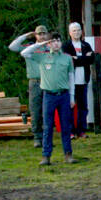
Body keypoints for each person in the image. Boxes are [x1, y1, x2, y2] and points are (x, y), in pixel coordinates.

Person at [22, 32, 76, 166]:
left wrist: (72, 97)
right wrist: (41, 44)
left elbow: (71, 78)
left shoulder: (67, 58)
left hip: (63, 95)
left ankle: (68, 154)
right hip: (48, 96)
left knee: (66, 126)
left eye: (58, 40)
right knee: (47, 126)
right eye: (53, 41)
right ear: (49, 43)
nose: (56, 43)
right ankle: (46, 156)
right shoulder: (42, 57)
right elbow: (24, 53)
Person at [8, 25, 49, 147]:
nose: (41, 36)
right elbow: (12, 47)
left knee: (47, 111)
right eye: (39, 34)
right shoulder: (29, 47)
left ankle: (47, 137)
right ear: (35, 35)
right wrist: (26, 35)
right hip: (34, 82)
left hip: (48, 82)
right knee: (35, 110)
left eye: (43, 34)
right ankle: (37, 137)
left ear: (47, 35)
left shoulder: (50, 47)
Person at [62, 22, 94, 139]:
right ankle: (71, 131)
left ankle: (82, 131)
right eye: (74, 30)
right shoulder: (66, 46)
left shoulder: (86, 45)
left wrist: (78, 58)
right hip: (70, 82)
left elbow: (91, 59)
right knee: (69, 107)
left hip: (83, 81)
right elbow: (69, 61)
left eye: (78, 30)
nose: (77, 32)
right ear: (70, 32)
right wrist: (84, 58)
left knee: (83, 107)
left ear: (81, 31)